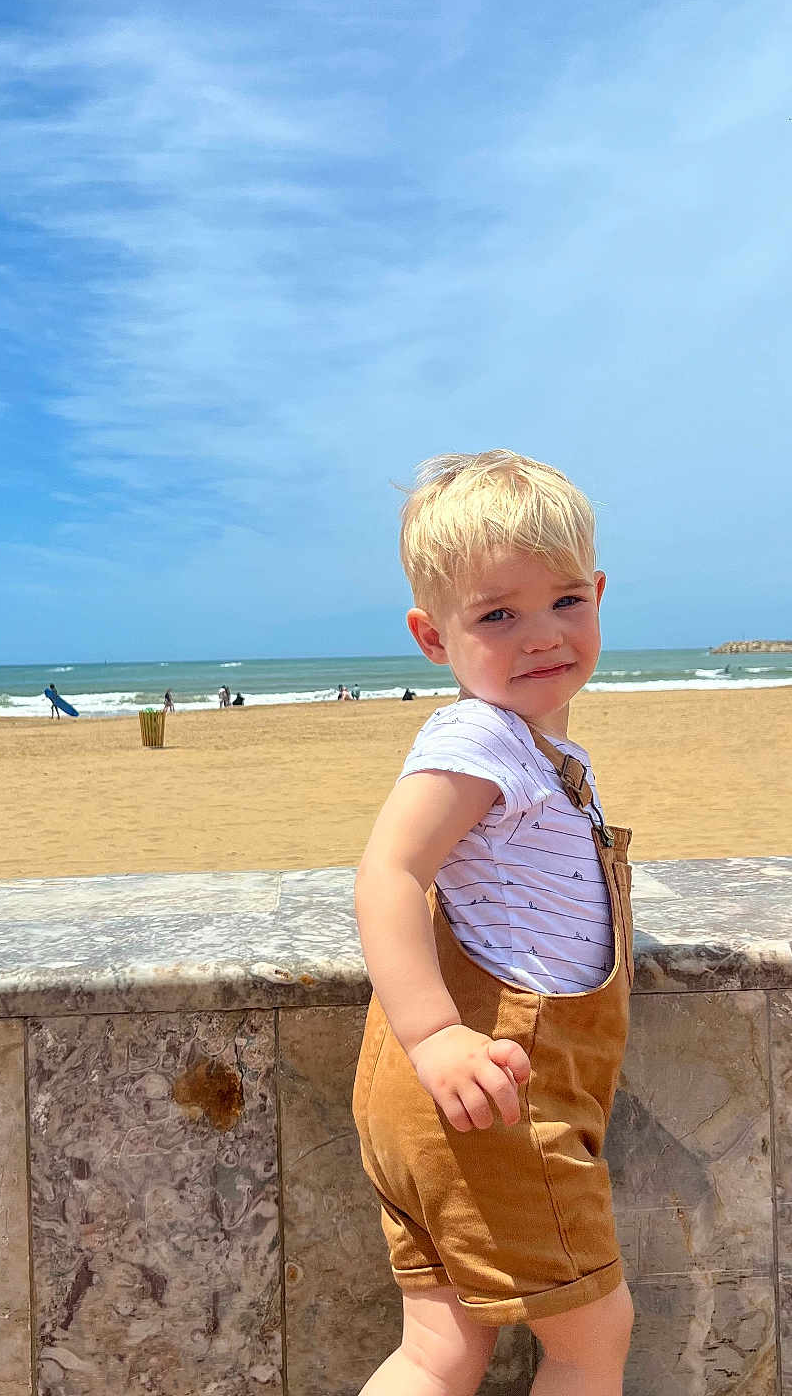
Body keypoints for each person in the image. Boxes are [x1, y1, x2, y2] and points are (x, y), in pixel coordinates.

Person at [352, 450, 633, 1395]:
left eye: (565, 602)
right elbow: (389, 872)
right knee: (594, 1334)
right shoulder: (477, 739)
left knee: (442, 1350)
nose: (544, 635)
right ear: (435, 637)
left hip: (434, 1106)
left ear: (598, 593)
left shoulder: (539, 747)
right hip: (496, 1093)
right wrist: (435, 1035)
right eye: (497, 615)